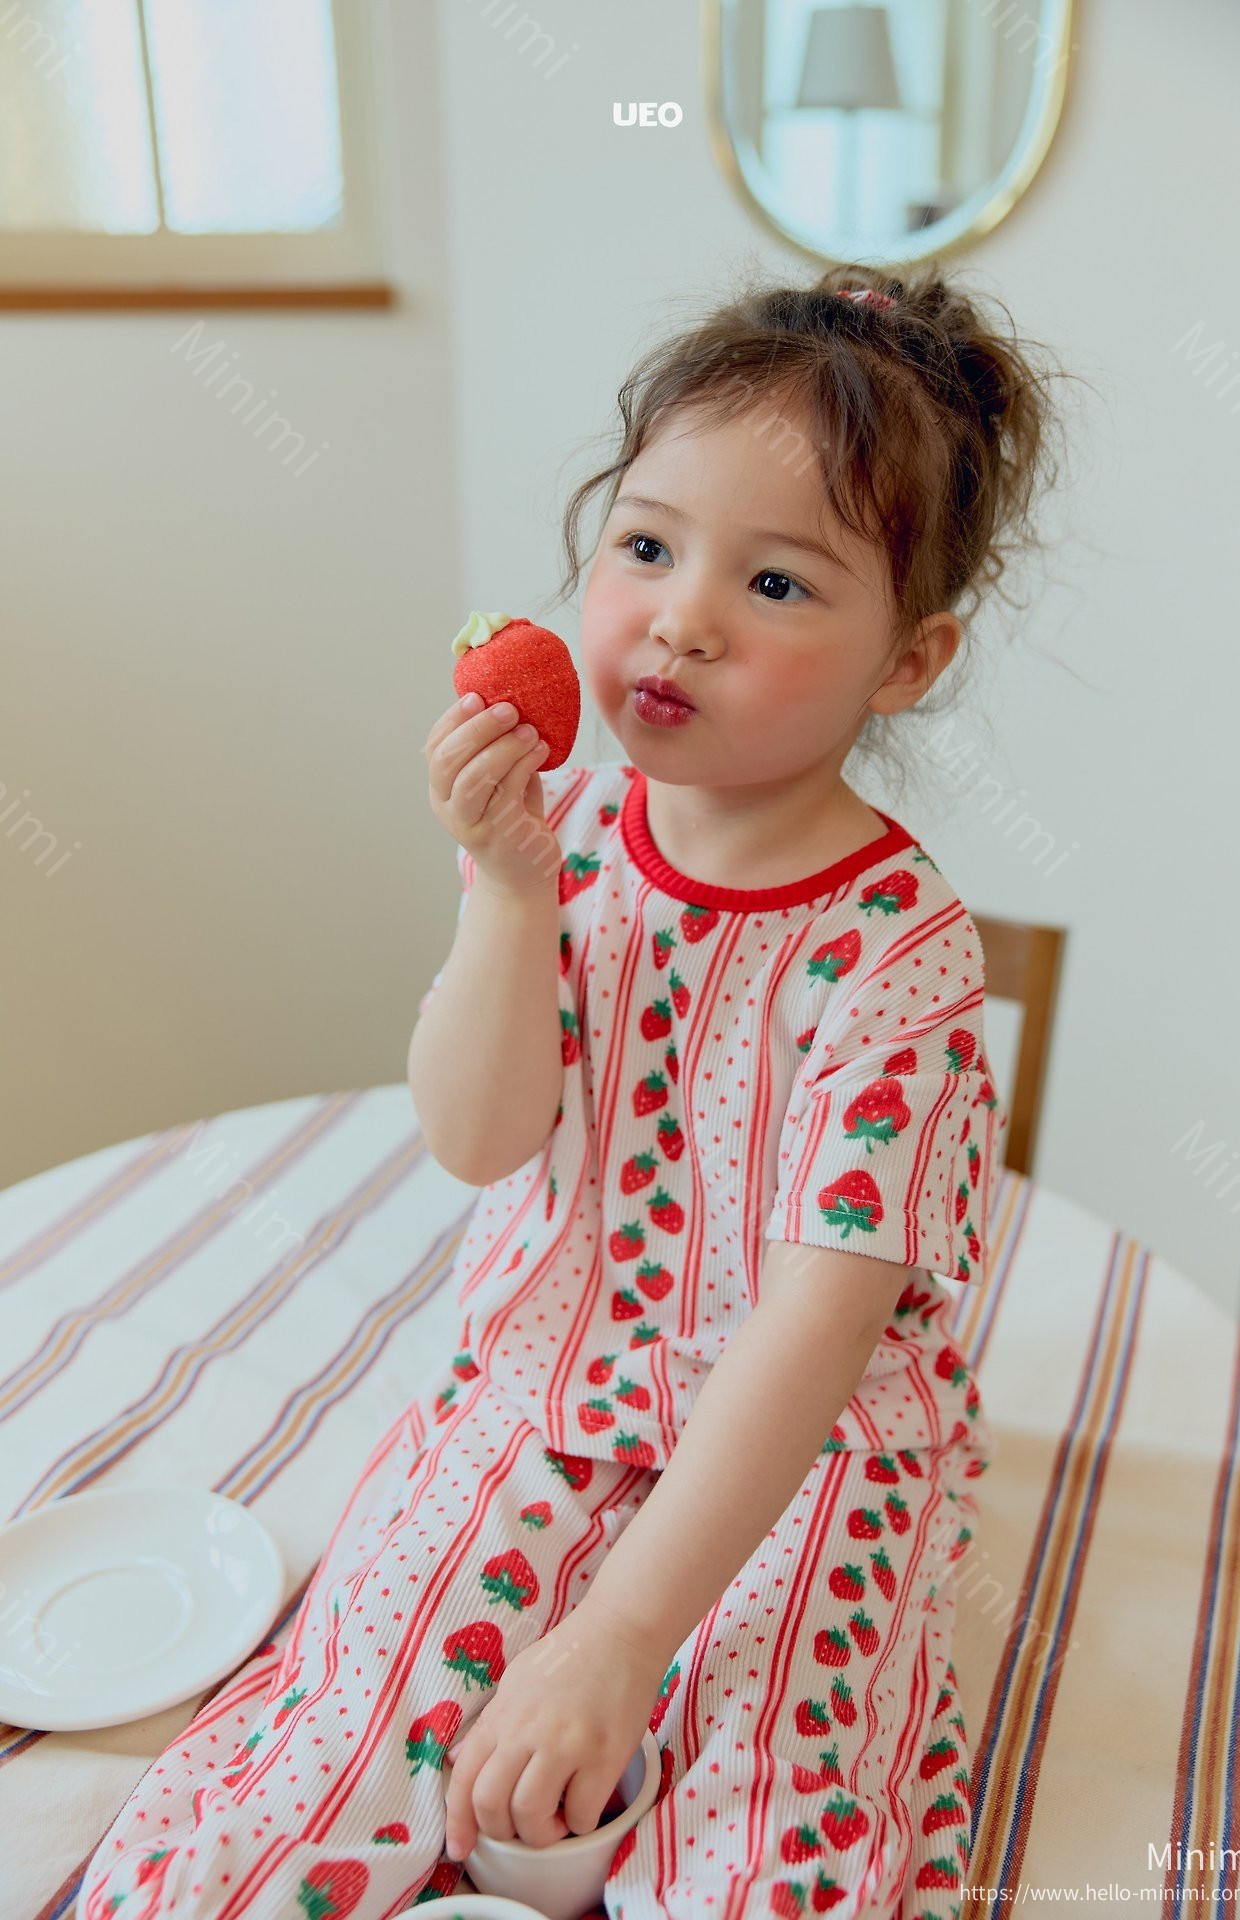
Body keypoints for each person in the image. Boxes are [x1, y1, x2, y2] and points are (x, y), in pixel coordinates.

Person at [78, 262, 1064, 1919]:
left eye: (776, 581)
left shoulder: (901, 951)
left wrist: (617, 1640)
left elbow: (818, 1329)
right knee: (356, 1726)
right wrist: (513, 892)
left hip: (801, 1438)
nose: (683, 618)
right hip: (545, 1382)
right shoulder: (570, 833)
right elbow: (476, 1139)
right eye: (647, 546)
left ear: (908, 660)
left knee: (773, 1799)